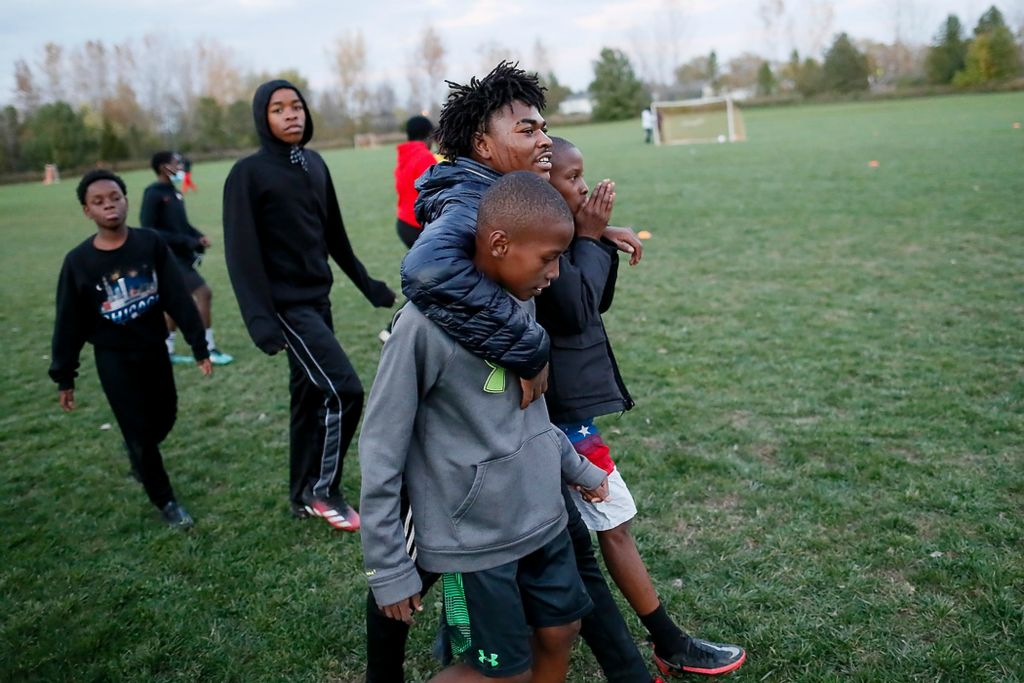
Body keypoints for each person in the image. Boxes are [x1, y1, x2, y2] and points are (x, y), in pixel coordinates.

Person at [368, 61, 657, 683]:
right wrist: (527, 347)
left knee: (557, 599)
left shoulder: (510, 201)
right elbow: (426, 274)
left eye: (544, 127)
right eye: (527, 129)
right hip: (461, 453)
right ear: (482, 144)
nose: (543, 139)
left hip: (514, 450)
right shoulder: (471, 207)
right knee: (424, 567)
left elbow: (560, 275)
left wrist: (592, 235)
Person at [360, 171, 610, 682]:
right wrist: (388, 566)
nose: (556, 273)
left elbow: (531, 415)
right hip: (474, 544)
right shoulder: (420, 330)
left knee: (562, 631)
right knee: (500, 674)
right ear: (499, 243)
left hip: (542, 520)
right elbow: (381, 447)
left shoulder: (521, 306)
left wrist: (577, 468)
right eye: (548, 258)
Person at [540, 136, 747, 678]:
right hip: (554, 420)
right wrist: (589, 234)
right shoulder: (536, 245)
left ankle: (664, 642)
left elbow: (596, 298)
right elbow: (577, 310)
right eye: (571, 176)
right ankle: (668, 642)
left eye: (583, 173)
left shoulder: (561, 237)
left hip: (565, 415)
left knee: (606, 528)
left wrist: (595, 239)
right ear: (541, 181)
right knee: (611, 522)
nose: (583, 185)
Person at [223, 79, 396, 531]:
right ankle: (324, 490)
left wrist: (368, 285)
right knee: (344, 389)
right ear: (263, 118)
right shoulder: (248, 173)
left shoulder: (314, 164)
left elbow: (334, 235)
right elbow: (241, 253)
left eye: (296, 106)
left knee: (306, 399)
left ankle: (301, 495)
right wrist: (260, 319)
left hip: (319, 302)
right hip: (286, 308)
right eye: (278, 109)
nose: (290, 115)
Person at [49, 169, 213, 530]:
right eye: (98, 201)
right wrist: (65, 375)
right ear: (87, 211)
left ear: (125, 201)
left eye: (115, 197)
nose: (109, 205)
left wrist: (198, 344)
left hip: (154, 350)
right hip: (114, 359)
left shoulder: (150, 243)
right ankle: (166, 500)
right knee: (138, 433)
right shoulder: (78, 262)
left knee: (165, 415)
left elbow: (176, 295)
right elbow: (68, 322)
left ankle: (140, 453)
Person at [140, 150, 233, 366]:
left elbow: (182, 225)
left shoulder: (173, 191)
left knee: (175, 302)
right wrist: (186, 241)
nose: (180, 166)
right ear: (164, 167)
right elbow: (151, 230)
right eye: (176, 163)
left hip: (180, 254)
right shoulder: (153, 193)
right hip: (168, 257)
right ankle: (208, 348)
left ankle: (167, 350)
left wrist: (197, 236)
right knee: (204, 293)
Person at [394, 115, 438, 249]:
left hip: (403, 222)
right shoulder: (425, 157)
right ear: (429, 134)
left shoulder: (406, 155)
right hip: (417, 226)